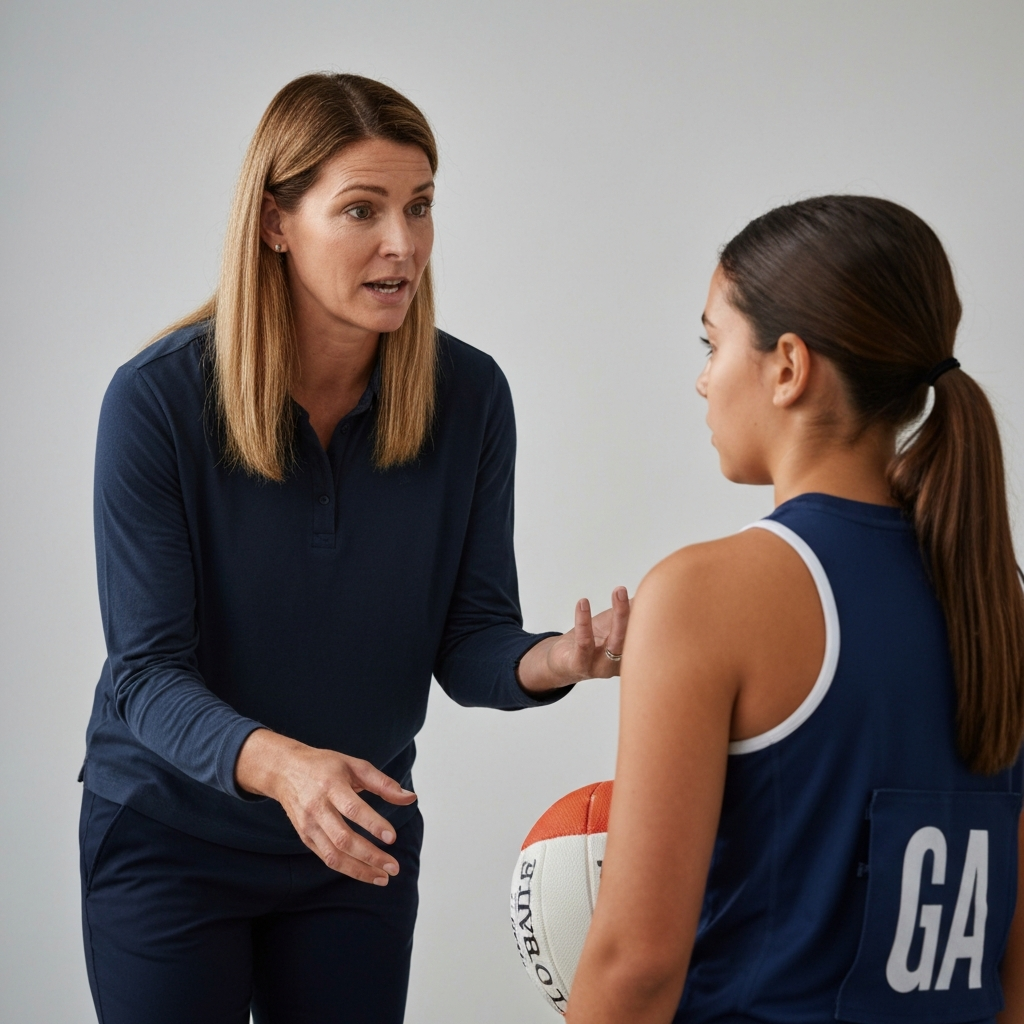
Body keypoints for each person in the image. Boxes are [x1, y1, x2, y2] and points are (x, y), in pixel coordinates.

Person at [79, 72, 629, 1024]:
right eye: (362, 210)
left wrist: (551, 661)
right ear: (275, 223)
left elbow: (469, 637)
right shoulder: (156, 403)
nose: (403, 245)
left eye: (419, 207)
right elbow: (147, 673)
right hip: (169, 838)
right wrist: (289, 767)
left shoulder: (470, 397)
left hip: (356, 841)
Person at [565, 196, 1024, 1024]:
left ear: (787, 366)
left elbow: (635, 964)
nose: (704, 377)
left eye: (712, 343)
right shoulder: (997, 598)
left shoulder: (709, 595)